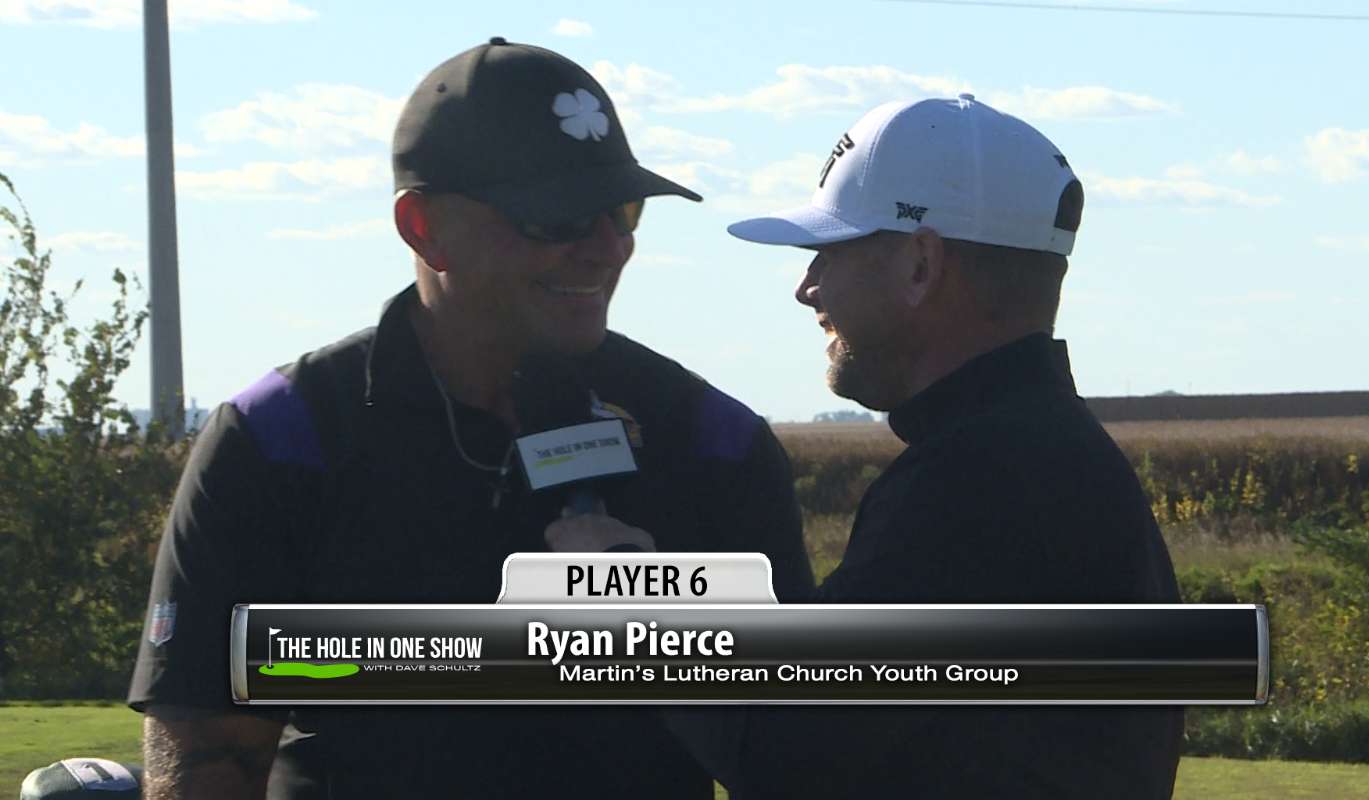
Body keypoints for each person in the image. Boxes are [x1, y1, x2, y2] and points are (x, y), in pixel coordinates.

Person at [126, 38, 814, 800]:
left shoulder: (712, 444)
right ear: (422, 227)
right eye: (559, 217)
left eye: (623, 210)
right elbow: (207, 765)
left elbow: (800, 757)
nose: (610, 247)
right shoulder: (283, 442)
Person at [550, 94, 1183, 797]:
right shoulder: (1053, 457)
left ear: (920, 265)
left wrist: (624, 591)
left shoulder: (976, 484)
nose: (807, 287)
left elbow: (782, 747)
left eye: (829, 250)